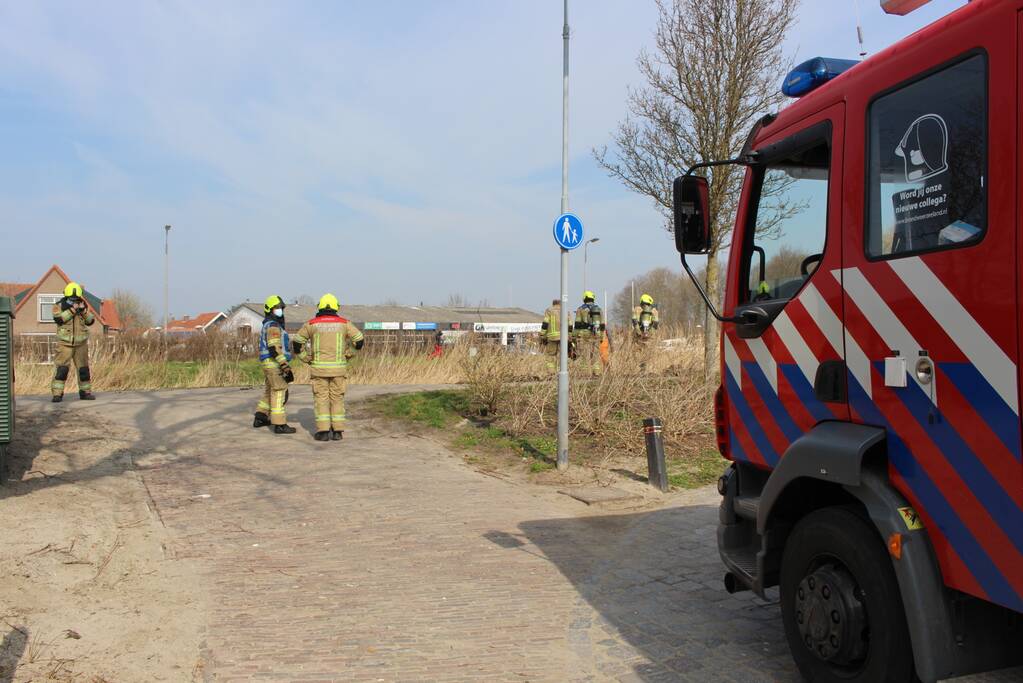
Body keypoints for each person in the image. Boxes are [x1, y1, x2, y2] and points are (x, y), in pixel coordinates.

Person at [292, 294, 364, 442]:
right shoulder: (344, 323)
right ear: (336, 307)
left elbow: (297, 343)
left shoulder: (311, 324)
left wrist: (306, 358)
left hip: (318, 370)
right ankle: (337, 432)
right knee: (337, 399)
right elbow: (359, 340)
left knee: (321, 400)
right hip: (339, 370)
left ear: (320, 307)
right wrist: (350, 354)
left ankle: (323, 432)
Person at [253, 295, 297, 434]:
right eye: (276, 308)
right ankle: (279, 424)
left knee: (269, 391)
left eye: (281, 308)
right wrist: (285, 366)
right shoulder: (273, 325)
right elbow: (274, 348)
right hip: (274, 363)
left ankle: (260, 417)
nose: (280, 310)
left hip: (268, 363)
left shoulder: (268, 324)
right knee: (279, 391)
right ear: (269, 309)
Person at [51, 282, 96, 402]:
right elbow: (59, 319)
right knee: (62, 369)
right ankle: (57, 394)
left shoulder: (83, 305)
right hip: (65, 344)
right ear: (66, 296)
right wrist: (72, 310)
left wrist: (83, 311)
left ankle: (85, 392)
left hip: (81, 344)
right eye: (72, 299)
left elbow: (91, 321)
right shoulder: (59, 305)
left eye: (76, 299)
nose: (75, 301)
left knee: (83, 370)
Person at [572, 291, 605, 374]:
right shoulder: (599, 309)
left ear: (584, 298)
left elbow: (577, 325)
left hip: (584, 335)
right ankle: (596, 373)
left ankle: (584, 374)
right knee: (595, 355)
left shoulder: (580, 309)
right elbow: (602, 325)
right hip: (596, 335)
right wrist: (601, 337)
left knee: (583, 355)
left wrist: (573, 337)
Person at [539, 298, 563, 372]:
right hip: (563, 338)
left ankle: (551, 373)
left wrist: (542, 334)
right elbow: (570, 325)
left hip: (552, 337)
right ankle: (562, 371)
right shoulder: (565, 310)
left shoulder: (549, 310)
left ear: (553, 304)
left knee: (550, 356)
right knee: (562, 356)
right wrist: (570, 336)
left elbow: (545, 323)